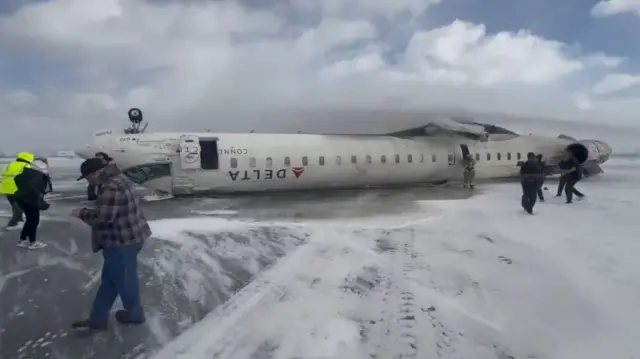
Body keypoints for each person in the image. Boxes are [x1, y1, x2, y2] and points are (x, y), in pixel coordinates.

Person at [71, 157, 152, 330]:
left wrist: (82, 213)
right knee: (110, 281)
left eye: (87, 177)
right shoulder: (119, 178)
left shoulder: (111, 187)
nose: (87, 180)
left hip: (122, 241)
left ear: (97, 173)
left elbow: (104, 217)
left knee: (125, 281)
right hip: (129, 235)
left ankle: (135, 315)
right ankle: (98, 319)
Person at [13, 161, 51, 249]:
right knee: (34, 221)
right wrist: (39, 196)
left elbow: (17, 179)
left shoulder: (23, 174)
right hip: (31, 200)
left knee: (30, 220)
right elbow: (33, 186)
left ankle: (22, 240)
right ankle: (33, 242)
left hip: (21, 199)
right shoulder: (38, 175)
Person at [0, 152, 34, 230]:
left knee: (18, 206)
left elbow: (3, 175)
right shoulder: (26, 166)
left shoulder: (10, 165)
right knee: (18, 208)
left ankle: (19, 220)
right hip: (17, 190)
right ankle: (12, 224)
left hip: (7, 190)